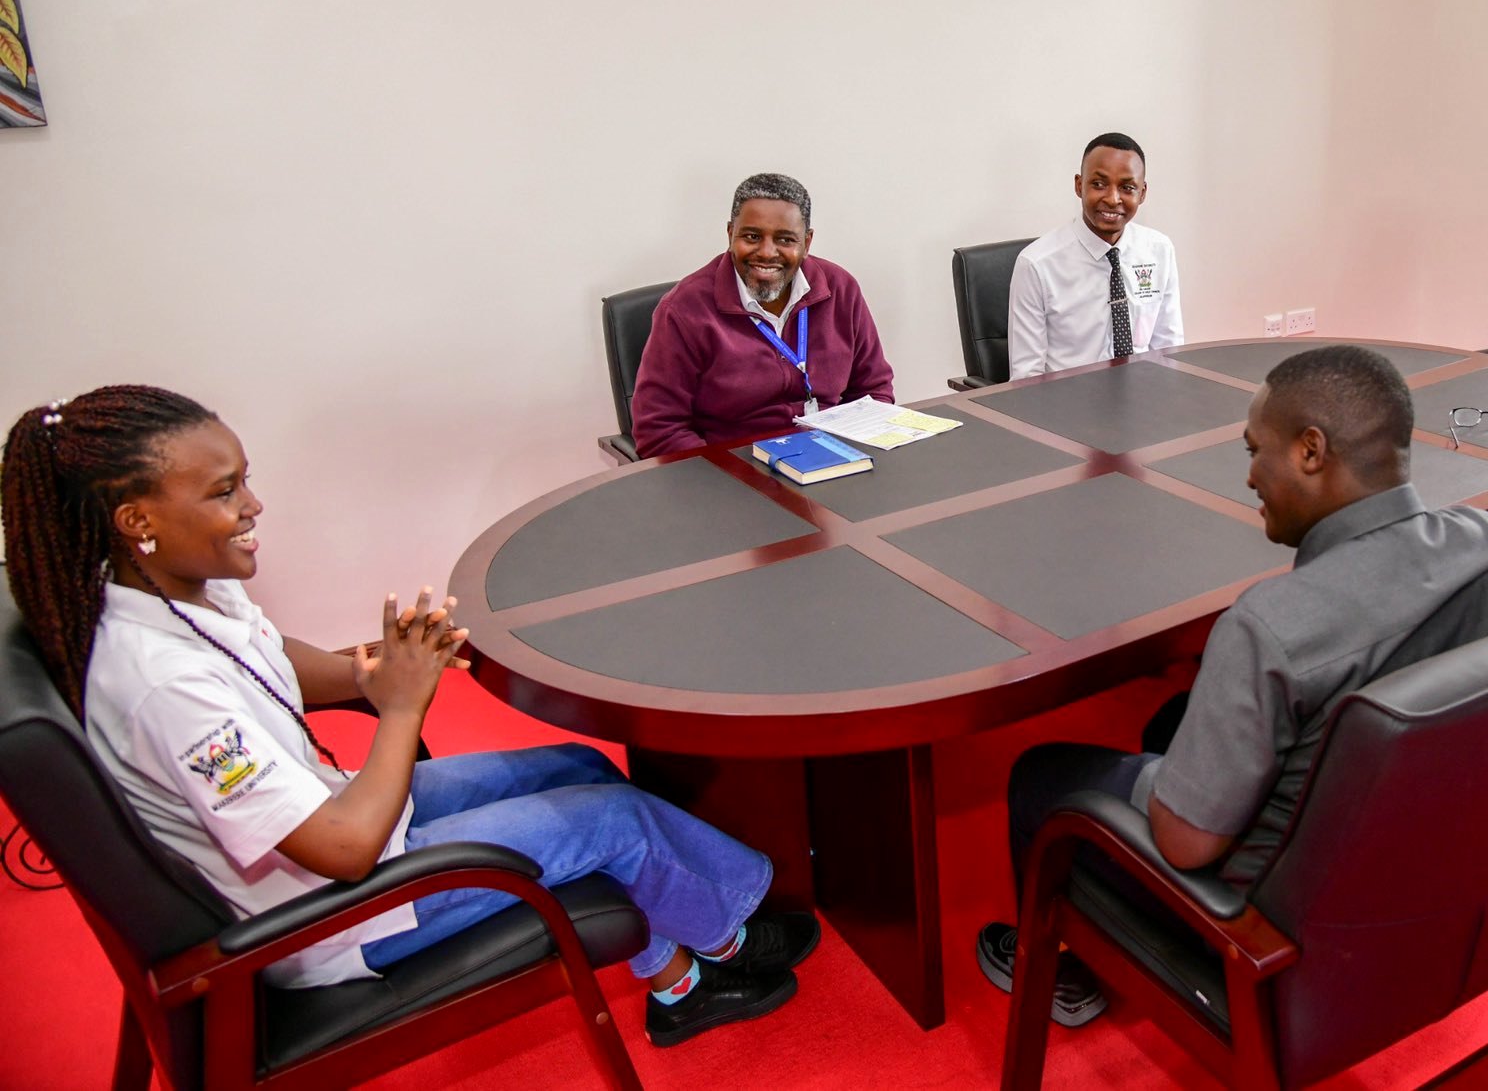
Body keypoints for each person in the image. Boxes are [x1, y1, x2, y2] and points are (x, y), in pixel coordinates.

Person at [1, 385, 817, 1047]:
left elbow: (297, 669)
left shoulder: (181, 594)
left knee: (580, 769)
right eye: (224, 492)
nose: (254, 505)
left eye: (244, 478)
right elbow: (347, 849)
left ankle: (676, 972)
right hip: (333, 912)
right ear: (136, 521)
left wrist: (406, 658)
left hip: (330, 822)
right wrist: (399, 704)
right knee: (615, 819)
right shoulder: (159, 686)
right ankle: (722, 952)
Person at [974, 345, 1488, 1025]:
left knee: (1043, 776)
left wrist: (1163, 783)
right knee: (1176, 718)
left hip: (1277, 926)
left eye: (1255, 451)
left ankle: (1063, 967)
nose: (1248, 475)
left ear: (1310, 451)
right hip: (1435, 860)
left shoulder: (1270, 627)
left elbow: (1187, 844)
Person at [632, 173, 895, 457]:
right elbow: (660, 431)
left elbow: (874, 391)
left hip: (831, 458)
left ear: (807, 242)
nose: (767, 253)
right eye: (752, 236)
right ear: (730, 234)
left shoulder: (840, 289)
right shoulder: (684, 310)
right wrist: (736, 478)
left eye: (785, 239)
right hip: (734, 472)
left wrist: (848, 456)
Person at [1006, 132, 1184, 380]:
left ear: (1142, 193)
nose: (1112, 199)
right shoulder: (1036, 264)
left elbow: (1168, 352)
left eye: (1127, 187)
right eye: (1099, 184)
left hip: (1144, 401)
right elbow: (1027, 376)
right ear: (1079, 185)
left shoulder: (1159, 250)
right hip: (1069, 404)